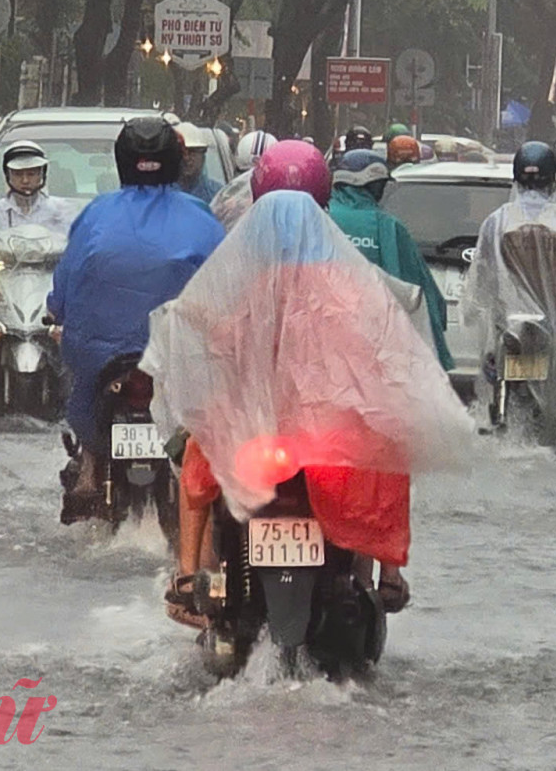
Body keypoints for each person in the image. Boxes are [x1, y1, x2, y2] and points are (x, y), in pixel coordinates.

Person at [146, 188, 474, 627]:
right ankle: (389, 575)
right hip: (329, 436)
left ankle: (187, 575)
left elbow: (221, 341)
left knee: (197, 454)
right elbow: (383, 350)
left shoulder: (251, 280)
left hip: (262, 434)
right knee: (390, 453)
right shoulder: (354, 284)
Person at [49, 118, 225, 522]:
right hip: (177, 354)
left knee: (82, 388)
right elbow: (224, 282)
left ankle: (91, 465)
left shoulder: (95, 214)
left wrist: (57, 310)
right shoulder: (201, 216)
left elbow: (67, 277)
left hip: (100, 351)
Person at [462, 142, 556, 447]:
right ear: (553, 179)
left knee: (494, 363)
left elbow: (483, 272)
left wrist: (481, 306)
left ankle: (500, 414)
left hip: (511, 323)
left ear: (516, 178)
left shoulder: (497, 221)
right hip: (555, 324)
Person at [0, 142, 78, 418]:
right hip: (8, 276)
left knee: (70, 336)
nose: (26, 180)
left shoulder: (60, 209)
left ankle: (80, 398)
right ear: (8, 176)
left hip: (50, 277)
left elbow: (77, 238)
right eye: (19, 174)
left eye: (32, 173)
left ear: (43, 174)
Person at [326, 149, 454, 370]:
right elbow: (421, 292)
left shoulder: (318, 217)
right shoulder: (388, 227)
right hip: (375, 347)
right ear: (373, 185)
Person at [175, 124, 223, 203]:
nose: (187, 158)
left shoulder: (217, 195)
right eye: (182, 153)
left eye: (193, 152)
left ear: (203, 157)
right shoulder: (160, 194)